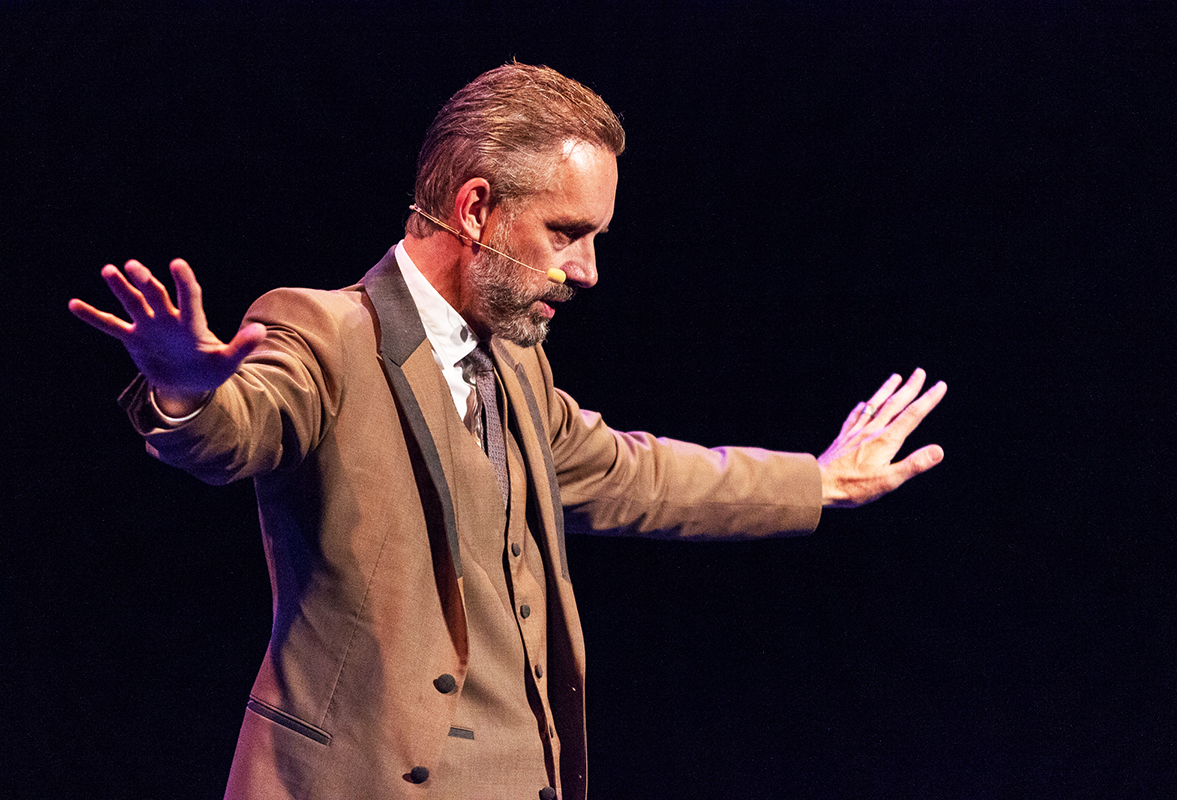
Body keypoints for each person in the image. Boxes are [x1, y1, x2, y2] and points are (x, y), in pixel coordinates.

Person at [69, 62, 946, 800]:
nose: (587, 270)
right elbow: (244, 423)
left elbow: (630, 474)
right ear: (476, 208)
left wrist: (820, 480)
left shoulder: (516, 364)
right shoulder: (327, 333)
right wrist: (185, 391)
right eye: (567, 233)